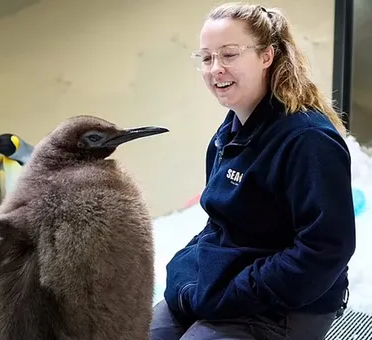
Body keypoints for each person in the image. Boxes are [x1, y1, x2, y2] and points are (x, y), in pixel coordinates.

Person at [151, 2, 356, 340]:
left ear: (267, 56)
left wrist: (228, 296)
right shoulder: (228, 134)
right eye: (206, 58)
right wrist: (187, 277)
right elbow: (217, 224)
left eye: (229, 54)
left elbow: (323, 251)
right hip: (232, 280)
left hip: (291, 302)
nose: (215, 68)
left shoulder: (307, 140)